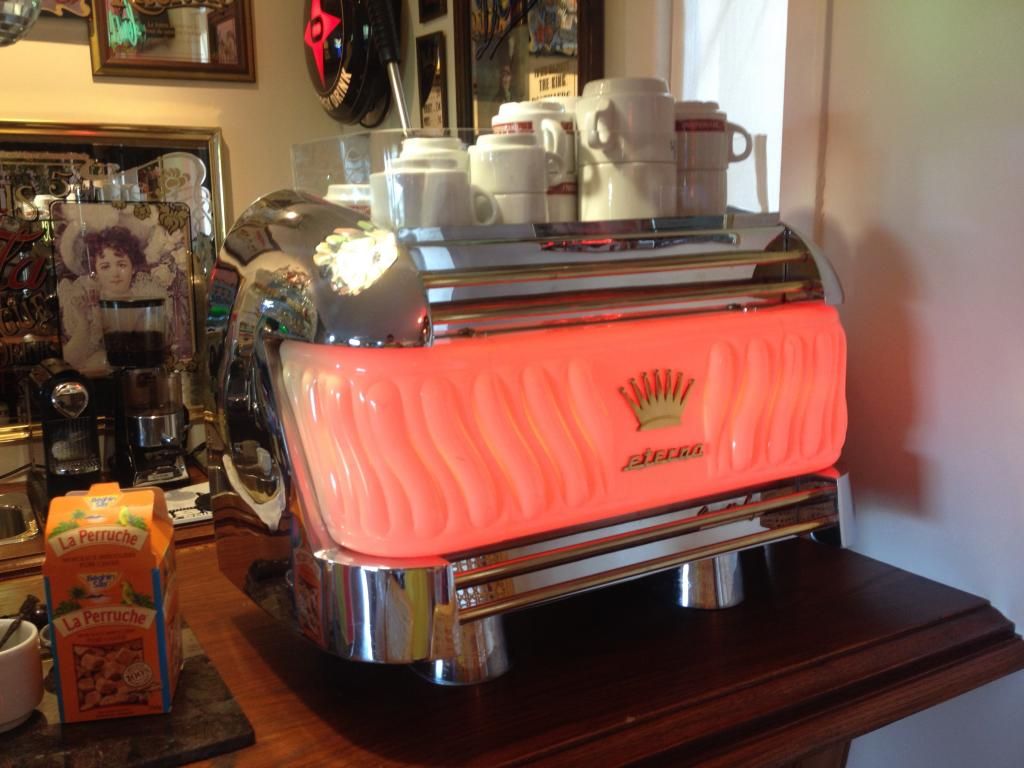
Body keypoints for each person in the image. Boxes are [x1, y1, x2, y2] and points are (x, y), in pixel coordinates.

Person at [57, 225, 155, 372]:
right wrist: (84, 324)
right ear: (95, 271)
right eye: (105, 267)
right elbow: (71, 360)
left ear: (133, 267)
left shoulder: (145, 298)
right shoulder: (87, 304)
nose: (114, 273)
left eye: (121, 264)